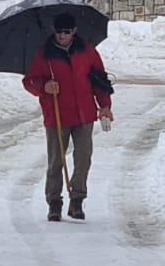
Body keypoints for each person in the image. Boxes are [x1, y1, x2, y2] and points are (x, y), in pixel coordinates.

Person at [22, 12, 113, 222]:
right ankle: (54, 203)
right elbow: (29, 81)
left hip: (84, 114)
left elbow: (99, 80)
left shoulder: (87, 51)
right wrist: (43, 86)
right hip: (56, 115)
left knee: (83, 159)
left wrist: (105, 105)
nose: (61, 36)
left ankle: (77, 201)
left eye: (66, 32)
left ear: (74, 31)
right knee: (56, 161)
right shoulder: (45, 54)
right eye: (58, 32)